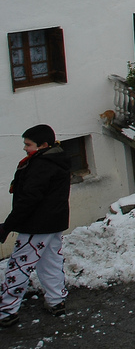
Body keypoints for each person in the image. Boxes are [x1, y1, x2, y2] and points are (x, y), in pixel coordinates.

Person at [0, 125, 71, 327]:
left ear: (43, 145)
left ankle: (6, 311)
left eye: (28, 144)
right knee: (50, 262)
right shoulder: (56, 160)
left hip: (36, 226)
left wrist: (8, 225)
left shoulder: (41, 165)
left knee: (19, 266)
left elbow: (29, 199)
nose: (25, 148)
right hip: (53, 223)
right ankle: (56, 301)